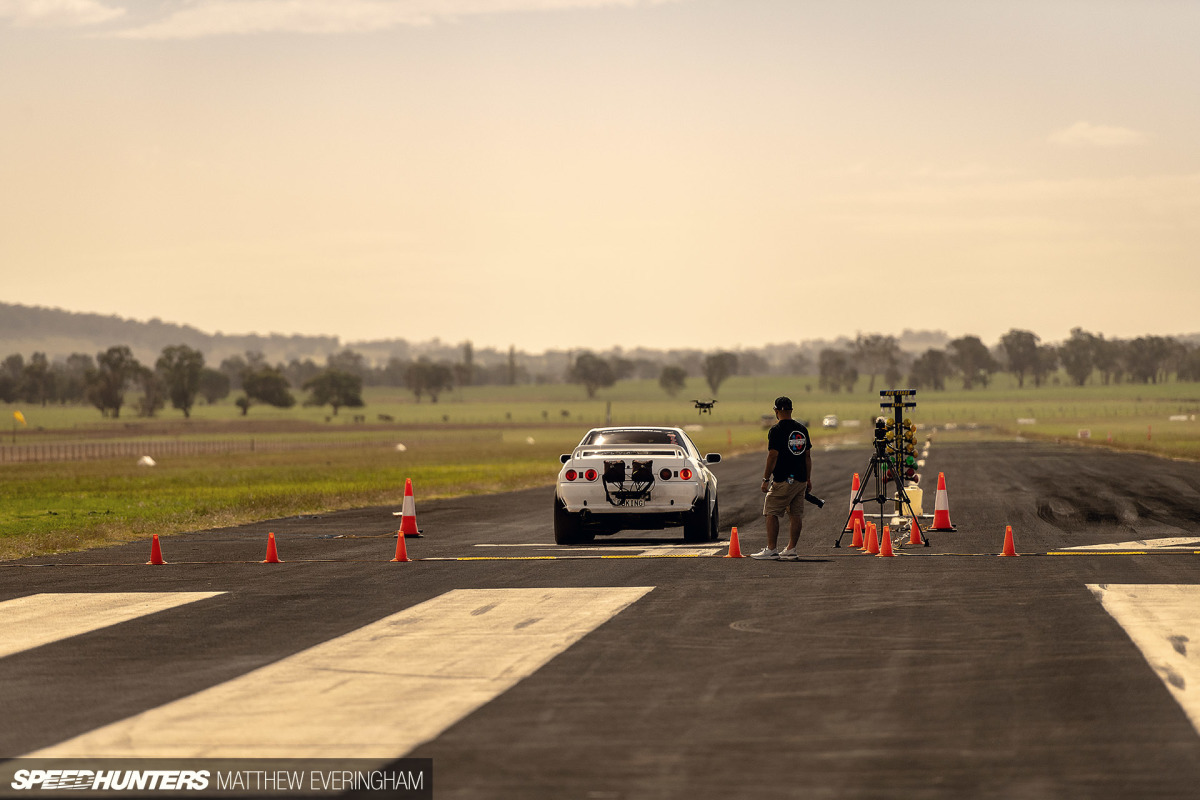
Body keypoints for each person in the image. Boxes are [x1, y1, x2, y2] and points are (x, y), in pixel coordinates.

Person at [751, 396, 812, 561]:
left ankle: (771, 549)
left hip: (784, 479)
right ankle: (791, 549)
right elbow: (807, 456)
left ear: (776, 411)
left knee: (771, 511)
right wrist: (807, 479)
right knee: (796, 514)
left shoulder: (776, 430)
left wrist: (765, 479)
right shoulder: (802, 429)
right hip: (800, 479)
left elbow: (773, 455)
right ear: (791, 410)